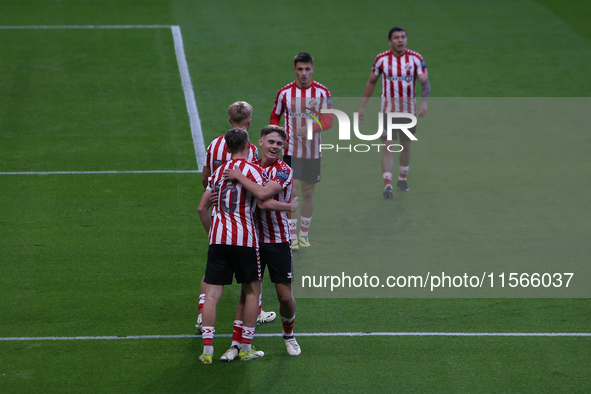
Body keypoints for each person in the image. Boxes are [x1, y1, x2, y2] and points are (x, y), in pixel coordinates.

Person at [220, 125, 301, 361]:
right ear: (261, 142)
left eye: (279, 144)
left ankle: (289, 335)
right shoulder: (250, 168)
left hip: (278, 240)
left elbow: (264, 198)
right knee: (247, 293)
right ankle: (237, 344)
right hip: (251, 238)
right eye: (271, 142)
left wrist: (239, 177)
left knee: (284, 297)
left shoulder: (284, 170)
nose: (275, 147)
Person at [196, 102, 275, 333]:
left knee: (213, 268)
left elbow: (206, 177)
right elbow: (253, 182)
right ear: (250, 121)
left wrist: (214, 195)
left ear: (229, 120)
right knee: (252, 273)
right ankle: (256, 312)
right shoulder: (249, 148)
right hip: (243, 216)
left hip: (218, 213)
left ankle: (202, 316)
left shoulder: (214, 144)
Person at [270, 52, 333, 249]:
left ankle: (304, 235)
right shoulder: (284, 93)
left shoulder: (322, 92)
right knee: (293, 192)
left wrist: (313, 128)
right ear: (294, 70)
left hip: (313, 152)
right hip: (291, 151)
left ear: (313, 69)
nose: (304, 73)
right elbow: (274, 117)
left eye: (307, 69)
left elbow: (329, 120)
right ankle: (291, 237)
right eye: (300, 69)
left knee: (308, 192)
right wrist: (280, 136)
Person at [359, 27, 430, 198]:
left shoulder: (416, 58)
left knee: (405, 146)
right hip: (388, 110)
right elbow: (371, 82)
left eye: (403, 37)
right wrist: (362, 106)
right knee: (388, 145)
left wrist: (424, 103)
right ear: (390, 41)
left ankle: (402, 177)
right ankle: (388, 184)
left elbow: (424, 82)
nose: (400, 40)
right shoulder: (381, 59)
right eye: (396, 38)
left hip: (408, 112)